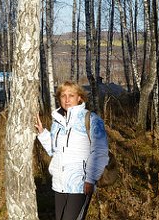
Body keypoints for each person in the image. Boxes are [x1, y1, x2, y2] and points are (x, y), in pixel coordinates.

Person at [35, 81, 109, 220]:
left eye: (71, 95)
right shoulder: (57, 121)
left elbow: (100, 153)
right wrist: (42, 133)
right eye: (63, 96)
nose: (67, 99)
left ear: (79, 97)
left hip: (80, 183)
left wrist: (90, 179)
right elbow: (54, 151)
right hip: (59, 183)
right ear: (59, 98)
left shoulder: (91, 120)